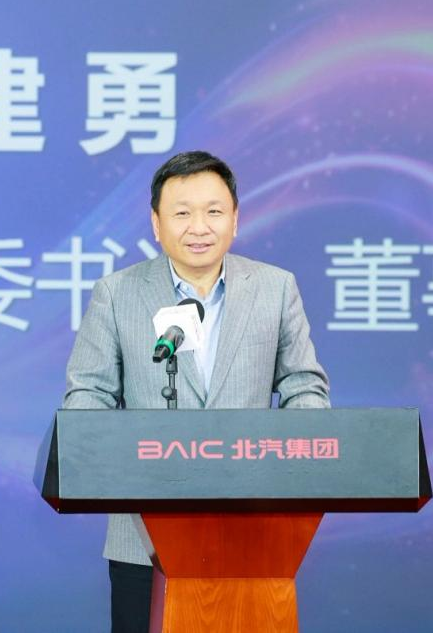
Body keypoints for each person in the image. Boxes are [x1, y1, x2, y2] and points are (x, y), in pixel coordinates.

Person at [61, 150, 330, 633]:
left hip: (252, 531)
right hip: (144, 539)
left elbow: (304, 384)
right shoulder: (117, 294)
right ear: (156, 224)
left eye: (213, 211)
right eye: (182, 213)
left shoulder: (275, 288)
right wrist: (113, 451)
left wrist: (292, 460)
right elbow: (87, 397)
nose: (199, 227)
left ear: (235, 218)